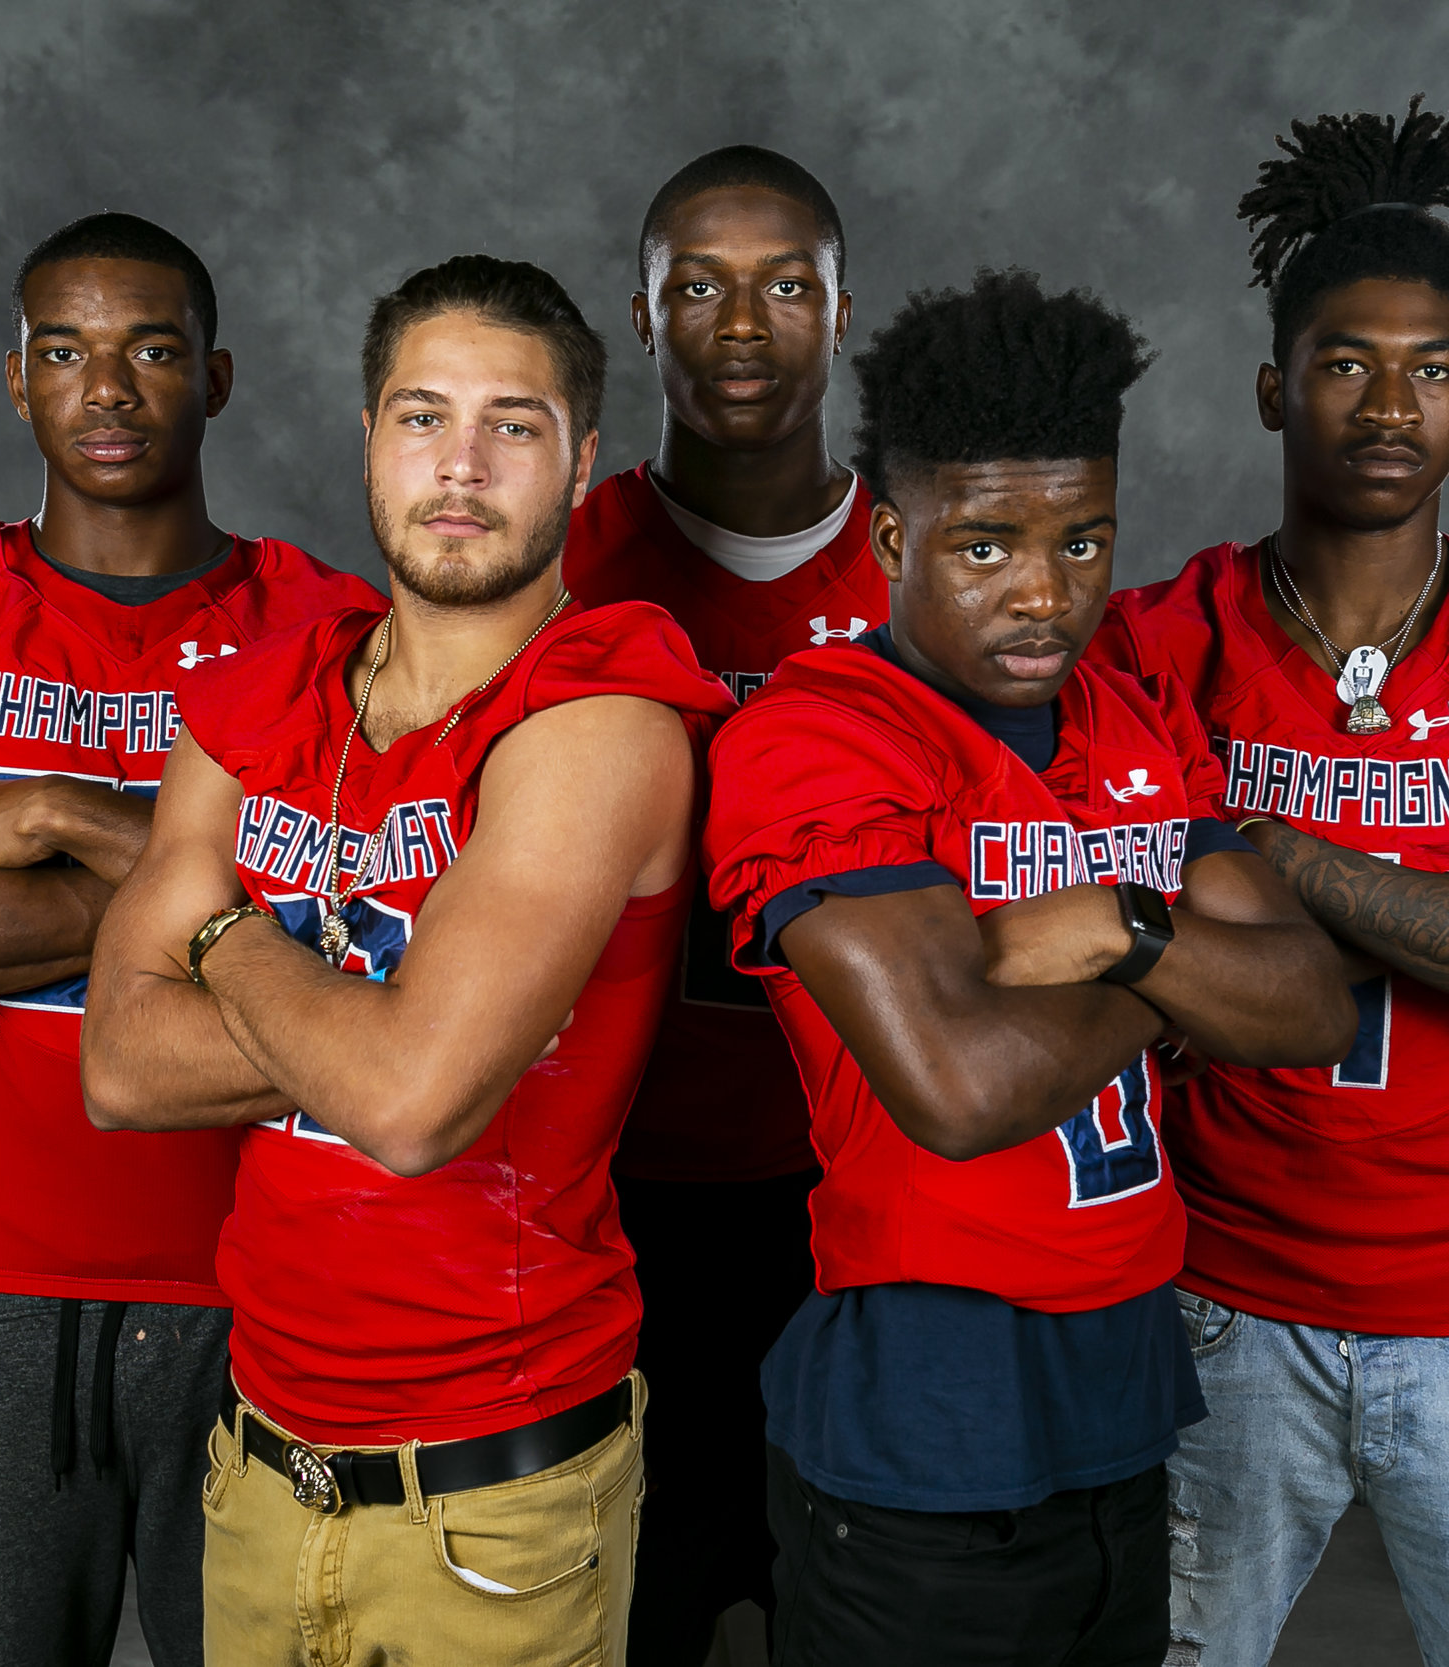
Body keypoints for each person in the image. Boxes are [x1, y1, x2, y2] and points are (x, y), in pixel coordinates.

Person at [80, 254, 735, 1667]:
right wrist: (365, 1018)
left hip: (493, 1490)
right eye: (421, 415)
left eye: (514, 424)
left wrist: (216, 929)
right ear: (368, 441)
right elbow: (122, 1064)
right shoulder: (263, 694)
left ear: (581, 464)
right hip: (260, 1461)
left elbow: (414, 1104)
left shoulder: (600, 714)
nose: (461, 464)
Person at [704, 269, 1354, 1667]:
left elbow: (1310, 1003)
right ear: (892, 532)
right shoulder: (821, 738)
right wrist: (1184, 984)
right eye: (986, 547)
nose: (1046, 596)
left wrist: (1124, 928)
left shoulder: (1128, 704)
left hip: (1122, 1394)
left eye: (1083, 541)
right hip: (921, 1420)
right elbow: (959, 1083)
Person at [1095, 102, 1449, 1667]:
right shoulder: (1163, 636)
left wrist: (1282, 860)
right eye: (1347, 361)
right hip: (1222, 1298)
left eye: (1431, 368)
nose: (1388, 402)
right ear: (1279, 385)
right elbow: (1112, 939)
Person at [0, 213, 376, 1666]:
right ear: (16, 379)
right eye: (67, 351)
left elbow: (358, 922)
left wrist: (59, 811)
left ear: (217, 379)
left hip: (258, 1270)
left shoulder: (329, 629)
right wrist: (205, 898)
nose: (107, 389)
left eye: (151, 350)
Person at [561, 142, 886, 1663]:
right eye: (697, 285)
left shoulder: (930, 557)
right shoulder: (565, 558)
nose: (741, 326)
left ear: (841, 309)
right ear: (640, 315)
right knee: (640, 1597)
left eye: (783, 286)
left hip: (858, 1181)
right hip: (612, 1181)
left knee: (844, 1594)